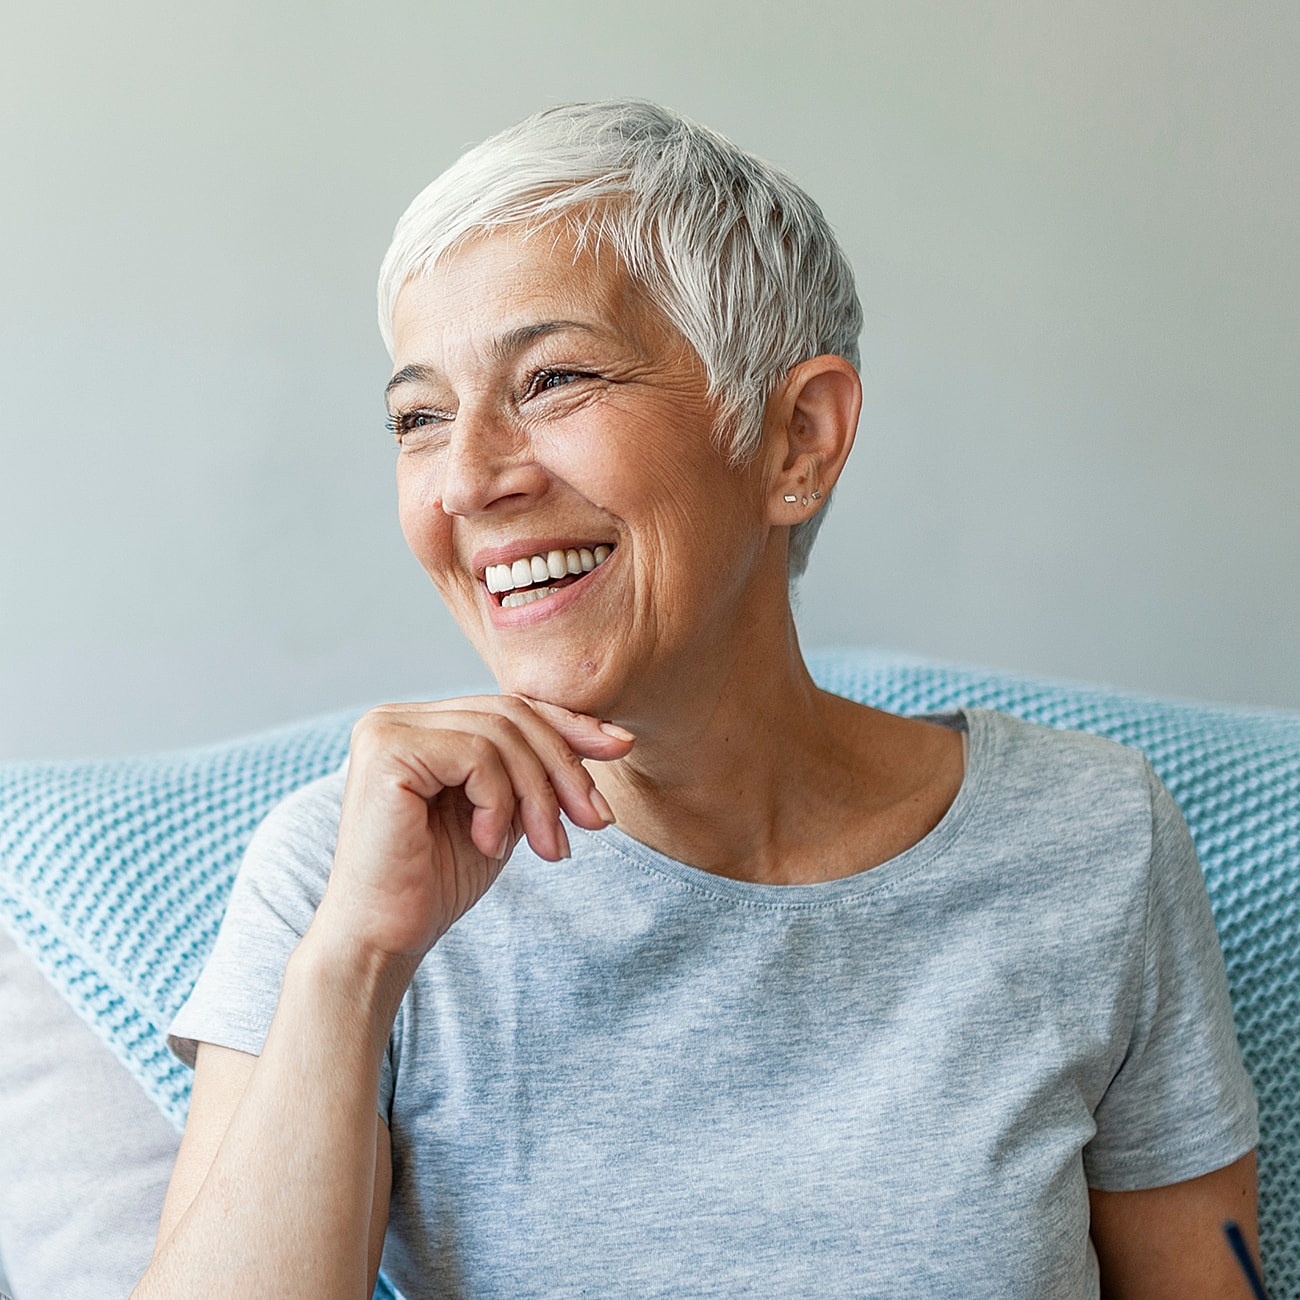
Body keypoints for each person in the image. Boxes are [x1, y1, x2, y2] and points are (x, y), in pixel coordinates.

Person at [133, 100, 1261, 1299]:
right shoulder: (343, 872)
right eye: (419, 417)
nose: (466, 479)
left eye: (552, 379)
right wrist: (353, 964)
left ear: (796, 442)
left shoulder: (1091, 839)